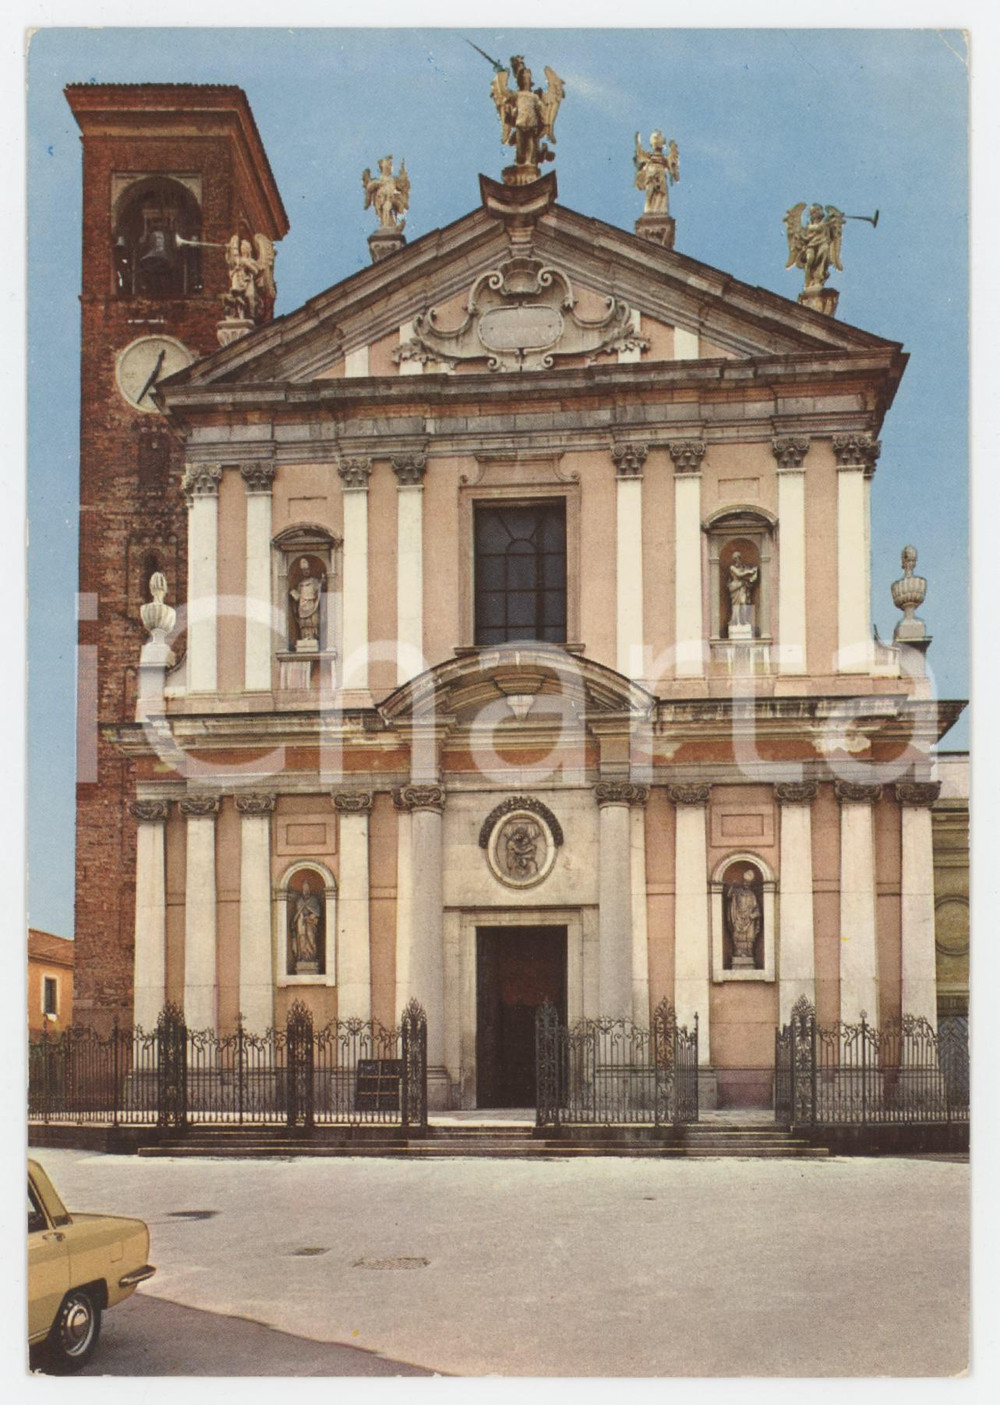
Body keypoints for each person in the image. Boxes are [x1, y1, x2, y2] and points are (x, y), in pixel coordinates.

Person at [727, 871, 761, 966]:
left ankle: (749, 953)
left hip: (749, 920)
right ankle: (737, 953)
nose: (746, 884)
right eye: (745, 882)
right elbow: (729, 896)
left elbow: (756, 908)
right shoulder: (737, 893)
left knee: (750, 937)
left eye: (748, 883)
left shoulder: (752, 895)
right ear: (743, 883)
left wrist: (754, 914)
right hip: (738, 919)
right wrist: (732, 886)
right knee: (737, 936)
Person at [290, 558, 324, 646]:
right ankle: (304, 637)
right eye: (304, 570)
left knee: (312, 621)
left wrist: (322, 582)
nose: (306, 571)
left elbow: (319, 589)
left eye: (307, 569)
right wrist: (294, 594)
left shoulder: (314, 581)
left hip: (312, 604)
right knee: (303, 623)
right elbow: (298, 596)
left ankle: (312, 637)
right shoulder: (300, 584)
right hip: (302, 604)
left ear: (310, 570)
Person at [290, 880, 322, 968]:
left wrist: (310, 916)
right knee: (302, 938)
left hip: (310, 922)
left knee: (311, 938)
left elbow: (317, 913)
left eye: (307, 887)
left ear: (309, 888)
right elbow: (297, 912)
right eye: (304, 887)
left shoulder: (313, 900)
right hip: (301, 922)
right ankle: (303, 957)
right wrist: (300, 917)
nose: (306, 889)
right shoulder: (299, 900)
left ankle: (311, 957)